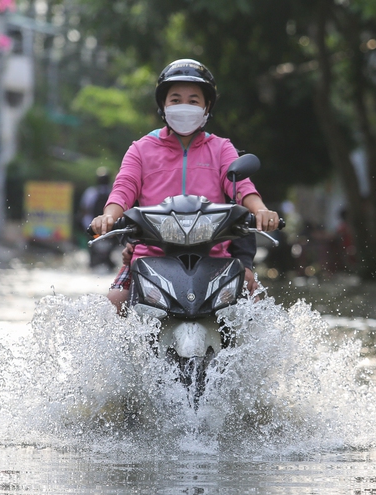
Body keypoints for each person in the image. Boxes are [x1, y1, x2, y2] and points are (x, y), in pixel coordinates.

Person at [90, 58, 279, 311]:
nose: (184, 107)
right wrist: (108, 216)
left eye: (193, 101)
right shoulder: (141, 149)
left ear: (206, 106)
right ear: (163, 105)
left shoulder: (222, 148)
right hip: (150, 254)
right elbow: (124, 188)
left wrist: (261, 210)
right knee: (112, 305)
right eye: (176, 100)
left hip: (215, 258)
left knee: (254, 306)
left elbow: (242, 187)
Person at [79, 167, 115, 269]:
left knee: (91, 254)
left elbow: (84, 210)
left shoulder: (90, 192)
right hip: (110, 229)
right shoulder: (113, 193)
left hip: (93, 228)